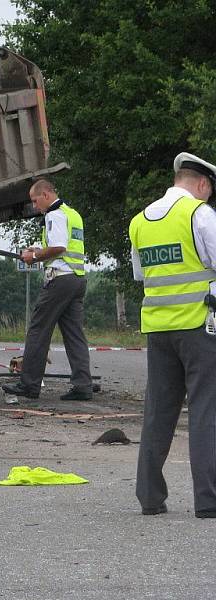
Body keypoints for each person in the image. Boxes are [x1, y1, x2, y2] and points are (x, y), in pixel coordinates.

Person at [129, 152, 216, 518]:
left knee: (158, 414)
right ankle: (208, 501)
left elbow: (140, 275)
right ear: (200, 184)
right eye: (209, 191)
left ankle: (150, 497)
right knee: (206, 411)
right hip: (199, 327)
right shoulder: (200, 214)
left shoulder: (139, 222)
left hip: (158, 330)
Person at [2, 179, 92, 401]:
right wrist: (40, 249)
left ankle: (29, 385)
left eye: (35, 201)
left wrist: (33, 256)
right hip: (77, 279)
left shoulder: (54, 215)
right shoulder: (73, 214)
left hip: (59, 280)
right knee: (74, 335)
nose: (34, 206)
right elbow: (65, 246)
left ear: (46, 195)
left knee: (38, 330)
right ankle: (83, 385)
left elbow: (59, 246)